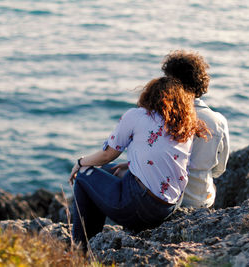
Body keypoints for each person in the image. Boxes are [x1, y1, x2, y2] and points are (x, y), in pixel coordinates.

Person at [69, 77, 209, 249]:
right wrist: (129, 166)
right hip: (168, 207)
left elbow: (107, 155)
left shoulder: (137, 116)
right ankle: (92, 239)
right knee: (106, 170)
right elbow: (165, 156)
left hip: (141, 209)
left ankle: (79, 248)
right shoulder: (183, 125)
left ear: (149, 95)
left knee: (84, 175)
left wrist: (80, 162)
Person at [161, 50, 230, 208]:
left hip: (164, 198)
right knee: (211, 186)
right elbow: (220, 169)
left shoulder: (162, 116)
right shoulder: (218, 121)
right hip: (198, 199)